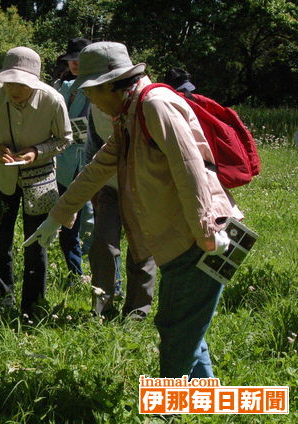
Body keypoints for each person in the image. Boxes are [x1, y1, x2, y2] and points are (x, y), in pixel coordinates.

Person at [26, 41, 241, 378]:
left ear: (112, 84)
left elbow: (190, 169)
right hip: (186, 235)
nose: (91, 100)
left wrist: (207, 231)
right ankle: (208, 400)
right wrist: (58, 214)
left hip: (204, 237)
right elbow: (98, 167)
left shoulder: (155, 105)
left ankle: (166, 413)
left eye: (93, 92)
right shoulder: (128, 114)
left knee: (175, 328)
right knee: (188, 328)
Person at [0, 46, 72, 318]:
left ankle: (33, 307)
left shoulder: (53, 100)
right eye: (9, 82)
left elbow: (64, 138)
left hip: (39, 178)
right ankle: (2, 299)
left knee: (37, 242)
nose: (14, 89)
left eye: (21, 84)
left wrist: (37, 152)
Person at [85, 103, 157, 320]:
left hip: (143, 189)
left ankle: (136, 313)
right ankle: (101, 309)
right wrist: (93, 186)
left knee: (141, 250)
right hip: (110, 186)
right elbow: (93, 144)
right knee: (102, 245)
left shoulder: (148, 105)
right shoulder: (96, 105)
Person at [55, 37, 94, 286]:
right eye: (71, 60)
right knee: (67, 220)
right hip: (64, 163)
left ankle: (101, 273)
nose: (75, 64)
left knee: (91, 221)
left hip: (91, 162)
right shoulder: (63, 87)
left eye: (79, 59)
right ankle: (74, 272)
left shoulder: (97, 88)